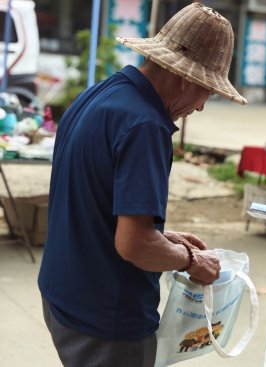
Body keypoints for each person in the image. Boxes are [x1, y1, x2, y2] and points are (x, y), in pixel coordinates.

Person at [38, 3, 246, 366]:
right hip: (106, 320)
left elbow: (97, 207)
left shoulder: (99, 95)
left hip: (63, 296)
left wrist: (164, 237)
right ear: (186, 78)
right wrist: (191, 260)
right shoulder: (146, 126)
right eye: (206, 93)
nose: (199, 107)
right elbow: (133, 244)